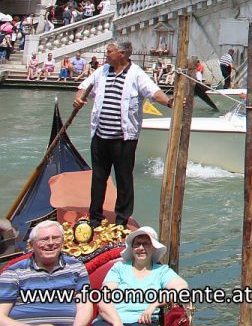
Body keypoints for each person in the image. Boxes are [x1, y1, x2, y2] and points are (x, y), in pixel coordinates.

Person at [74, 41, 173, 227]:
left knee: (124, 180)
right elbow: (84, 86)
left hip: (124, 139)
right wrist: (79, 98)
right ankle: (95, 218)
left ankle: (121, 221)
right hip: (100, 136)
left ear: (122, 54)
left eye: (109, 51)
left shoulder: (136, 74)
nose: (106, 54)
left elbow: (154, 93)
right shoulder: (102, 71)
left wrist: (169, 103)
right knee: (98, 178)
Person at [0, 219, 89, 326]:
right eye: (44, 239)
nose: (51, 243)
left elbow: (85, 306)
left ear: (63, 242)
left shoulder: (76, 267)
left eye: (55, 238)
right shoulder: (13, 272)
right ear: (31, 245)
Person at [95, 226, 187, 326]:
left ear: (153, 247)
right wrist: (117, 322)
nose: (141, 248)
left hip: (142, 322)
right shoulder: (119, 268)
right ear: (132, 248)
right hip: (111, 321)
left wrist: (154, 304)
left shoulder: (162, 271)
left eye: (146, 244)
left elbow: (181, 288)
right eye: (137, 244)